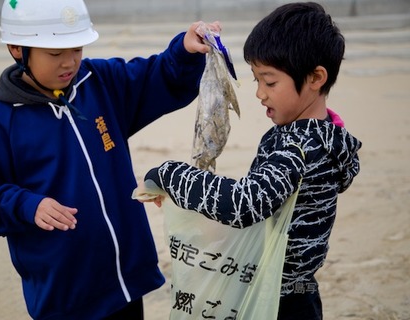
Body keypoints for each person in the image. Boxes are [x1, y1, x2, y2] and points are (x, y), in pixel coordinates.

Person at [0, 0, 220, 318]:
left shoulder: (99, 82)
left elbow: (157, 78)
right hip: (67, 296)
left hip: (126, 282)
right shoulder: (0, 121)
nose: (70, 62)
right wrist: (26, 205)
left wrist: (184, 52)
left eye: (76, 49)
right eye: (55, 53)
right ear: (17, 49)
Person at [140, 2, 362, 319]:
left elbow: (245, 205)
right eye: (257, 80)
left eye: (269, 82)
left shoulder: (296, 148)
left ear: (315, 78)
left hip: (278, 300)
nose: (260, 94)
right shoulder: (328, 138)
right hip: (302, 289)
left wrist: (169, 175)